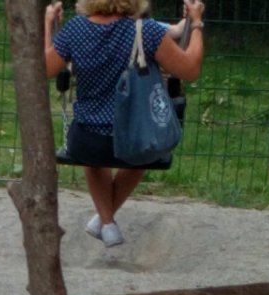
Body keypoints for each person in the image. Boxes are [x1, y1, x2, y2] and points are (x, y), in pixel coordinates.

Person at [44, 0, 205, 246]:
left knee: (94, 157)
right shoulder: (146, 30)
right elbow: (190, 69)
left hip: (88, 139)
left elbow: (44, 68)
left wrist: (48, 24)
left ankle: (106, 223)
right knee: (146, 150)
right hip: (136, 137)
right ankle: (104, 220)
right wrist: (196, 24)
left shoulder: (76, 29)